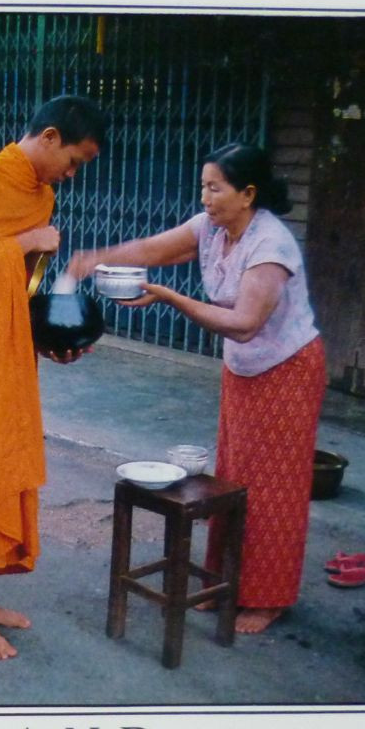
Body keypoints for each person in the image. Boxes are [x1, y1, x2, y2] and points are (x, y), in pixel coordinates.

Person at [67, 142, 325, 634]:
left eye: (215, 188)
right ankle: (224, 579)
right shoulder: (212, 227)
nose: (204, 197)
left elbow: (246, 323)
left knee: (275, 486)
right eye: (203, 186)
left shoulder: (271, 246)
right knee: (232, 476)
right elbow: (153, 249)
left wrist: (167, 297)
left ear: (247, 193)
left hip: (288, 369)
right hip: (245, 369)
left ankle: (268, 598)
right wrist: (96, 258)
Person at [0, 96, 106, 660]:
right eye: (74, 161)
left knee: (1, 465)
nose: (72, 175)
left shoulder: (41, 193)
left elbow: (23, 291)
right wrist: (26, 241)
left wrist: (49, 340)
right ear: (50, 137)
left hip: (9, 353)